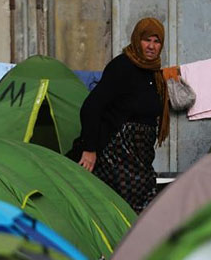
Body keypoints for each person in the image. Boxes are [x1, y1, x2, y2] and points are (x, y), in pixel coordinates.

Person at [67, 17, 169, 212]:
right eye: (147, 40)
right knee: (137, 206)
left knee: (140, 205)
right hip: (116, 154)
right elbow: (91, 107)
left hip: (140, 157)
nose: (151, 46)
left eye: (157, 42)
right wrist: (89, 149)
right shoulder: (122, 67)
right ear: (137, 40)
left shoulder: (154, 73)